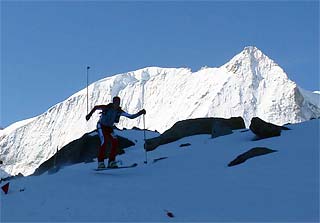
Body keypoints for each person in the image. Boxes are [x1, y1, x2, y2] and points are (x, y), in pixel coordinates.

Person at [86, 96, 146, 168]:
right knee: (104, 141)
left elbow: (131, 116)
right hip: (101, 126)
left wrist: (140, 113)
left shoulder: (119, 111)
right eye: (116, 102)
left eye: (118, 102)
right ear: (113, 102)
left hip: (109, 128)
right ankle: (100, 162)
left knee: (115, 142)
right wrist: (89, 115)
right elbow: (96, 107)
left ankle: (111, 162)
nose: (117, 104)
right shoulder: (106, 107)